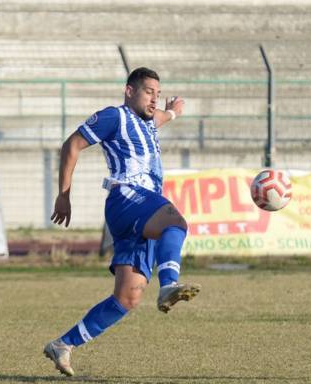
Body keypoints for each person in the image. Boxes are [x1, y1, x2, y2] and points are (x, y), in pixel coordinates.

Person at [43, 67, 200, 377]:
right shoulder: (115, 116)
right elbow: (71, 145)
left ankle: (63, 344)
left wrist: (172, 111)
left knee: (128, 297)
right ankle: (168, 285)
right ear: (129, 91)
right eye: (148, 93)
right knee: (176, 223)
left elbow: (161, 118)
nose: (154, 99)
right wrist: (64, 195)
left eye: (157, 93)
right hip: (128, 197)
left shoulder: (150, 120)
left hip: (140, 210)